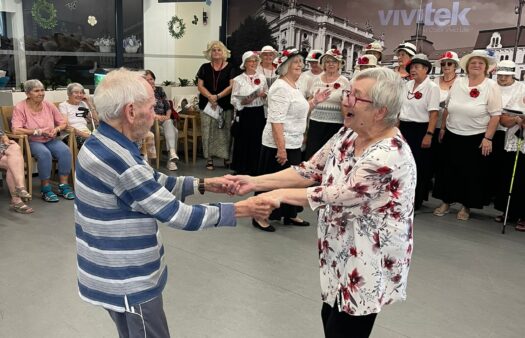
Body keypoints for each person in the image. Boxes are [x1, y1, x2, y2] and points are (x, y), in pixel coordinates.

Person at [74, 68, 276, 338]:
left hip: (112, 272)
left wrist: (204, 184)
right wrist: (243, 209)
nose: (156, 111)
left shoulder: (106, 141)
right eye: (152, 105)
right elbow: (177, 215)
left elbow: (150, 182)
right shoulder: (119, 159)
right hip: (127, 279)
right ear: (131, 112)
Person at [227, 68, 416, 338]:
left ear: (379, 111)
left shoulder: (389, 155)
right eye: (348, 93)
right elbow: (308, 170)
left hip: (367, 259)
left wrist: (275, 195)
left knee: (346, 329)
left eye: (356, 97)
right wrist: (255, 182)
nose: (345, 100)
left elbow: (333, 194)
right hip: (339, 249)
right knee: (329, 317)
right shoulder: (349, 135)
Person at [253, 48, 330, 232]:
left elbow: (298, 112)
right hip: (278, 145)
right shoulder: (280, 87)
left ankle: (289, 214)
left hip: (293, 143)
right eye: (296, 62)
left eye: (301, 63)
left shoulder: (294, 86)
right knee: (272, 183)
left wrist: (314, 102)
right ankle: (260, 216)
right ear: (285, 66)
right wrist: (281, 149)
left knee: (292, 182)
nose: (300, 66)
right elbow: (276, 120)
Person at [433, 50, 502, 220]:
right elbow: (448, 106)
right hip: (452, 132)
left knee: (472, 173)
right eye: (473, 63)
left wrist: (488, 138)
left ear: (486, 67)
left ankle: (466, 206)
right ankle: (446, 202)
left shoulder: (491, 86)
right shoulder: (458, 83)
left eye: (480, 63)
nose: (476, 65)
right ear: (467, 66)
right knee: (448, 170)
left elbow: (495, 115)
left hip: (476, 136)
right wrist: (442, 128)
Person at [12, 79, 75, 202]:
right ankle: (45, 188)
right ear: (28, 94)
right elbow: (16, 130)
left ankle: (63, 185)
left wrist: (56, 129)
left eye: (42, 90)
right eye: (36, 91)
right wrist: (38, 131)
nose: (41, 93)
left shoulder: (48, 105)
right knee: (44, 154)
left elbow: (62, 123)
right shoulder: (20, 107)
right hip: (32, 141)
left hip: (50, 138)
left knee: (65, 151)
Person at [398, 54, 440, 210]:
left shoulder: (432, 87)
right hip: (404, 128)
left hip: (421, 129)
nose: (413, 70)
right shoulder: (407, 85)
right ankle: (402, 196)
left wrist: (429, 135)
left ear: (426, 69)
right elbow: (400, 110)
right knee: (402, 165)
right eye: (411, 67)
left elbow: (434, 114)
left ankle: (416, 199)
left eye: (417, 67)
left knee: (418, 166)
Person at [492, 60, 525, 227]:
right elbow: (504, 118)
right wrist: (517, 119)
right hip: (514, 140)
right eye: (501, 74)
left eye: (507, 75)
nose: (503, 77)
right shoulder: (519, 94)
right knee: (511, 177)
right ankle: (510, 212)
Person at [304, 48, 350, 159]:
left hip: (335, 125)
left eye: (334, 61)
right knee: (312, 155)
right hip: (316, 123)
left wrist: (347, 124)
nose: (331, 64)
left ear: (339, 64)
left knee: (330, 157)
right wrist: (304, 125)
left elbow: (346, 104)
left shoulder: (344, 81)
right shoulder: (316, 80)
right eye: (328, 61)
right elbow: (310, 101)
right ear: (323, 64)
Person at [196, 40, 235, 170]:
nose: (216, 52)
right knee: (207, 132)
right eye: (213, 50)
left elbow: (231, 86)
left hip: (224, 104)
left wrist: (217, 96)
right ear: (210, 53)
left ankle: (225, 158)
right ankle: (209, 159)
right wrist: (210, 97)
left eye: (219, 50)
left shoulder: (230, 67)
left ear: (223, 52)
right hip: (206, 105)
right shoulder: (204, 67)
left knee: (224, 132)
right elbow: (200, 86)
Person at [230, 51, 268, 175]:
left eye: (255, 61)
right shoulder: (238, 79)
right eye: (250, 61)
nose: (253, 63)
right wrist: (243, 102)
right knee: (243, 139)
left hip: (258, 112)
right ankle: (241, 167)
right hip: (245, 113)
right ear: (244, 63)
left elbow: (267, 94)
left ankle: (255, 167)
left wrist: (263, 95)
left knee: (257, 139)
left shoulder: (262, 78)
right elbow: (233, 99)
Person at [431, 51, 460, 187]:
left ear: (455, 66)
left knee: (445, 157)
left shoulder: (461, 82)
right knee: (432, 154)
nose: (446, 66)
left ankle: (441, 184)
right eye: (443, 64)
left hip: (449, 125)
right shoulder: (434, 81)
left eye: (450, 63)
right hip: (432, 122)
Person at [144, 69, 180, 171]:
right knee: (175, 132)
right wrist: (155, 116)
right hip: (151, 121)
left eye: (151, 79)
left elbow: (167, 106)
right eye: (147, 80)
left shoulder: (160, 90)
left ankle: (172, 156)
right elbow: (145, 108)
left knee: (169, 122)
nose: (150, 81)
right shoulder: (143, 93)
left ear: (154, 79)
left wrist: (168, 116)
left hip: (163, 119)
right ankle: (171, 159)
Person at [0, 128, 33, 213]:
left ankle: (20, 187)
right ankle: (17, 199)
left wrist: (6, 141)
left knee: (15, 147)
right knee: (13, 164)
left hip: (2, 149)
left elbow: (3, 136)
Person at [58, 82, 98, 148]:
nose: (79, 95)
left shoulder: (83, 104)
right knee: (92, 146)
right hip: (70, 135)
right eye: (76, 92)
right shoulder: (63, 105)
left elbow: (96, 121)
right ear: (69, 94)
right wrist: (85, 135)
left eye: (81, 93)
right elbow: (66, 127)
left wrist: (89, 103)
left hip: (86, 133)